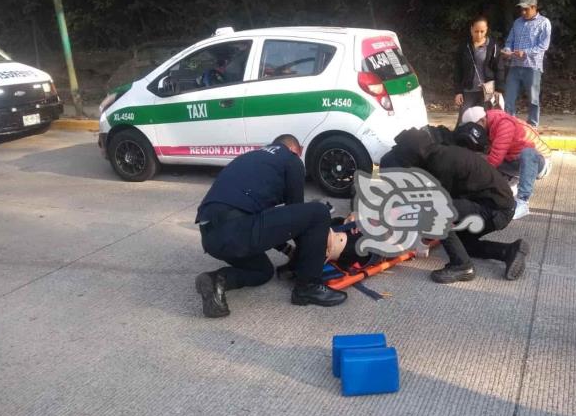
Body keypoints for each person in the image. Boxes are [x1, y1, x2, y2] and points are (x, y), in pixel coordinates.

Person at [194, 134, 347, 318]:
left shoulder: (252, 158)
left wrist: (288, 252)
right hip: (237, 228)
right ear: (296, 150)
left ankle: (217, 281)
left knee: (262, 272)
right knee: (318, 212)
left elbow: (268, 221)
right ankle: (308, 287)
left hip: (211, 237)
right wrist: (309, 256)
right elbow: (297, 216)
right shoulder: (291, 160)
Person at [380, 127, 528, 283]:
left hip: (495, 210)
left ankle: (462, 267)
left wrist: (423, 241)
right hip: (495, 205)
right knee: (464, 246)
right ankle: (508, 251)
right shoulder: (436, 155)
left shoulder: (441, 165)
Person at [460, 106, 551, 220]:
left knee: (528, 153)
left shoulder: (503, 124)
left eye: (474, 128)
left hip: (540, 163)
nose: (474, 131)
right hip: (514, 160)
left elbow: (494, 160)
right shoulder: (488, 124)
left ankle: (523, 201)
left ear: (483, 121)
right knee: (480, 156)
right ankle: (509, 185)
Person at [501, 0, 552, 127]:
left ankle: (533, 125)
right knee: (509, 98)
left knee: (533, 99)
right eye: (521, 9)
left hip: (532, 67)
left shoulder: (544, 22)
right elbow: (509, 41)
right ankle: (509, 125)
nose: (523, 12)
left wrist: (526, 52)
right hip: (515, 66)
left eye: (526, 9)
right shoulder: (517, 22)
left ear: (534, 8)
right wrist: (507, 50)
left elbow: (543, 46)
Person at [453, 16, 505, 122]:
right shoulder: (464, 46)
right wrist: (458, 92)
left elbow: (499, 68)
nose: (479, 35)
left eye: (482, 31)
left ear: (486, 30)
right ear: (471, 29)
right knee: (463, 121)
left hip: (487, 91)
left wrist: (499, 89)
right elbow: (458, 69)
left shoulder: (493, 46)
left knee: (486, 121)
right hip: (468, 90)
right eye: (476, 31)